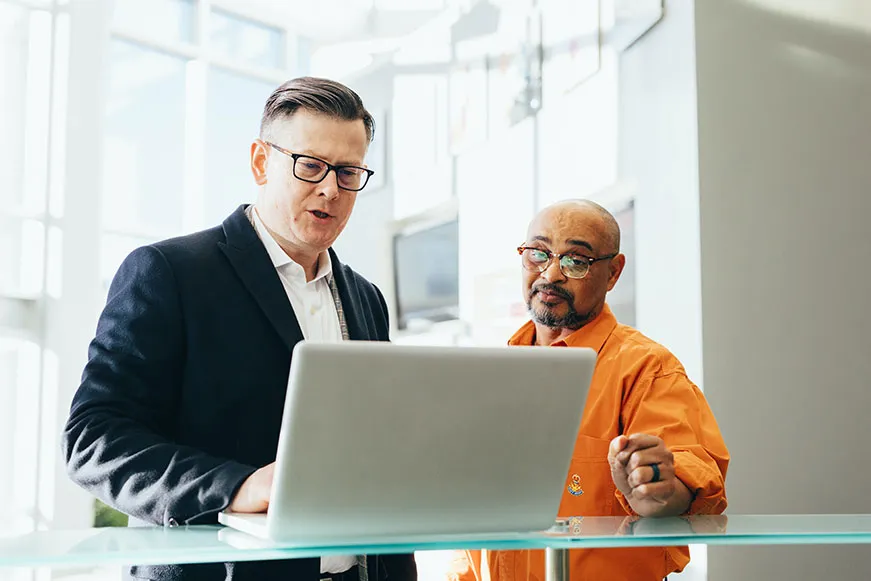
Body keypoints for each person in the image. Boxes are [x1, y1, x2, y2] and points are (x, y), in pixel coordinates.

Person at [62, 77, 417, 581]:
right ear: (260, 162)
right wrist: (236, 487)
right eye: (310, 165)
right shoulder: (168, 272)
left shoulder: (366, 298)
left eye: (348, 171)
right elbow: (92, 440)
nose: (330, 189)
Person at [448, 200, 729, 581]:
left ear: (613, 272)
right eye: (537, 254)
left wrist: (655, 490)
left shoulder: (647, 369)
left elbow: (688, 486)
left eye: (575, 261)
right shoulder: (496, 372)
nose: (550, 274)